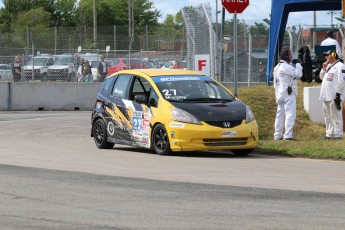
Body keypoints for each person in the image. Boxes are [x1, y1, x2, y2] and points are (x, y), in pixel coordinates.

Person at [273, 49, 303, 141]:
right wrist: (298, 64)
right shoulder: (287, 67)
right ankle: (288, 135)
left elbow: (275, 83)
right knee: (290, 114)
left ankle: (277, 134)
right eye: (290, 55)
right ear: (287, 57)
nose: (291, 57)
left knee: (280, 114)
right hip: (288, 94)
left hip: (280, 93)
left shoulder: (277, 67)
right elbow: (299, 74)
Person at [319, 50, 345, 139]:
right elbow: (321, 78)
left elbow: (342, 81)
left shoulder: (340, 66)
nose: (326, 57)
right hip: (326, 95)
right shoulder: (329, 66)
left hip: (334, 95)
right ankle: (329, 134)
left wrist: (338, 94)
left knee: (336, 115)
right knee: (327, 116)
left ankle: (338, 134)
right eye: (325, 55)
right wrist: (323, 68)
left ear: (333, 55)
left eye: (327, 55)